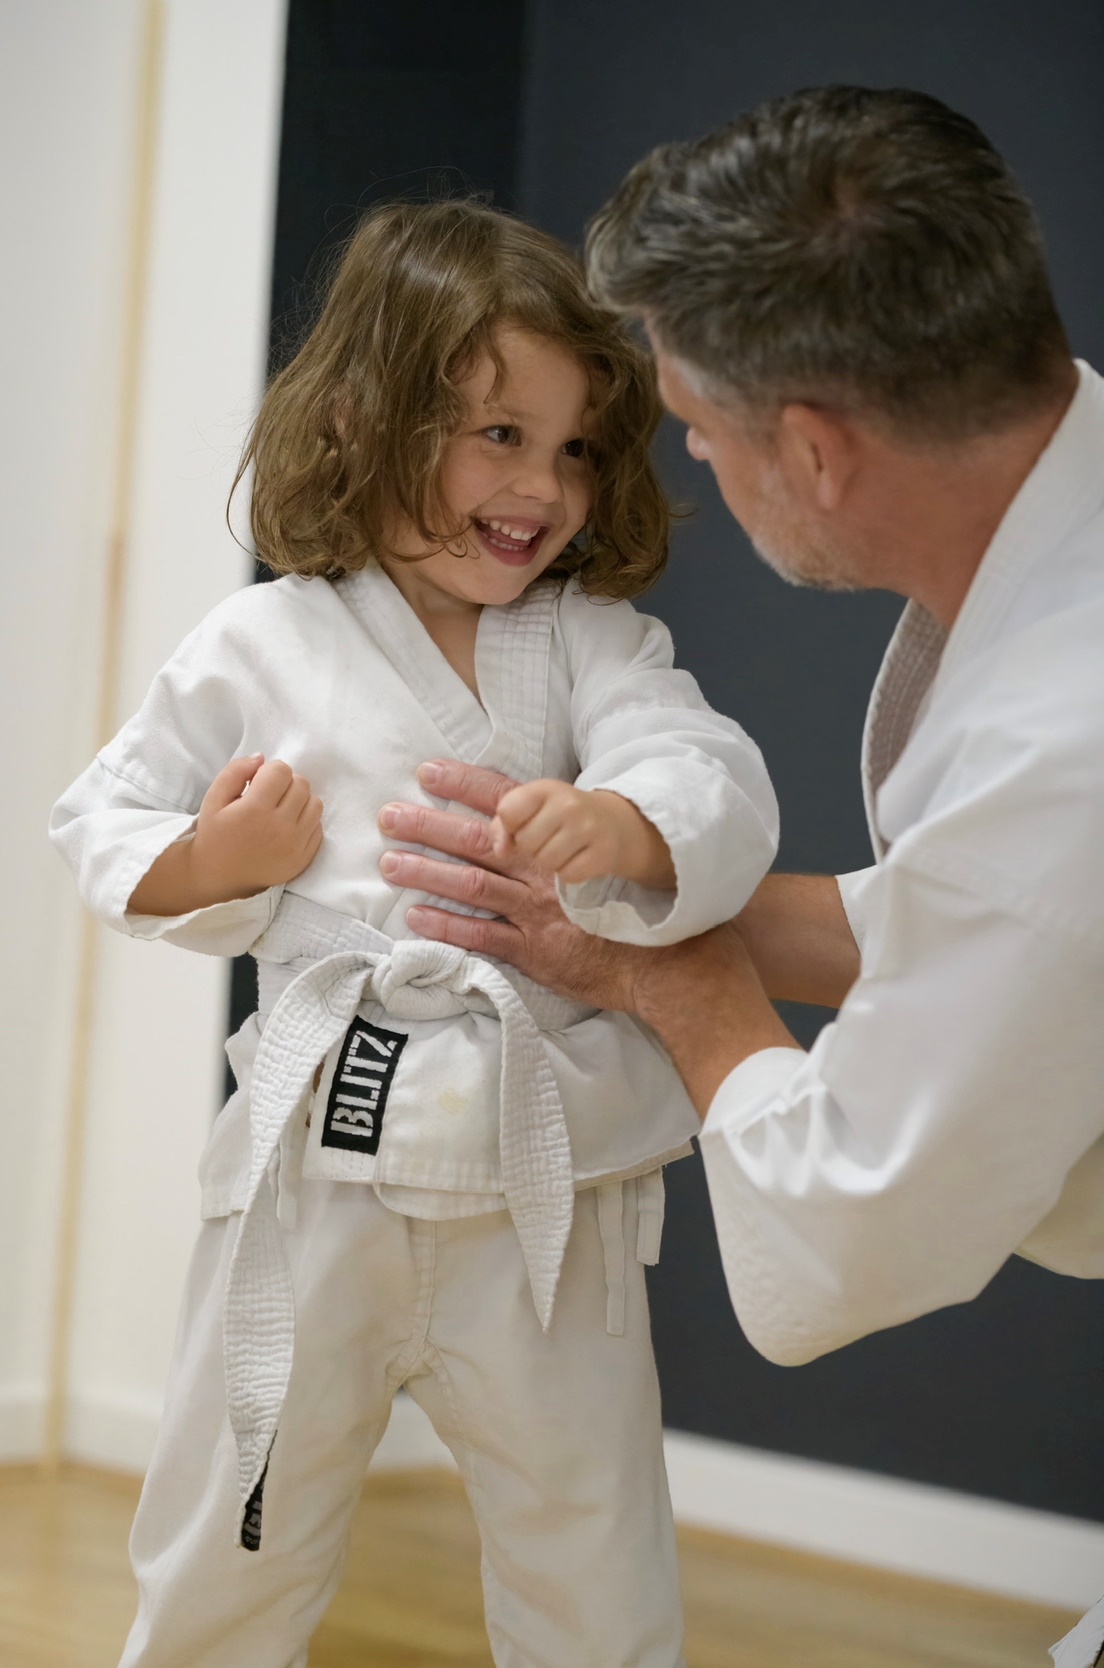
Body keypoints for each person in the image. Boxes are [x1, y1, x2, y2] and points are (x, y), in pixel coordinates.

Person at [371, 91, 1104, 1666]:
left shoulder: (1065, 742)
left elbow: (844, 1237)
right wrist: (621, 903)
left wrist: (671, 972)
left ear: (818, 449)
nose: (684, 448)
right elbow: (1000, 938)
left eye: (694, 416)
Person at [50, 199, 779, 1668]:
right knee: (229, 1526)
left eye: (575, 445)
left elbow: (715, 777)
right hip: (310, 1178)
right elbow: (98, 822)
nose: (543, 487)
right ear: (368, 422)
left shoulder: (594, 646)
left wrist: (632, 825)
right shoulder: (263, 643)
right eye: (496, 435)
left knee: (593, 1553)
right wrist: (216, 855)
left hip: (543, 1190)